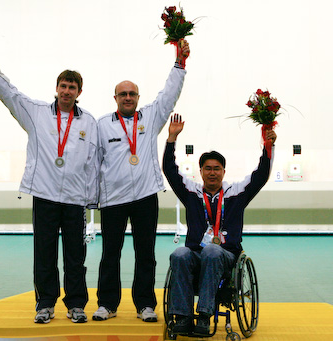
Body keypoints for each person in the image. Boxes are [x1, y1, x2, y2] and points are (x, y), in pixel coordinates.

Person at [0, 47, 98, 324]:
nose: (66, 91)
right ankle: (45, 304)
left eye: (72, 87)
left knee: (76, 257)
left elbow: (94, 162)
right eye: (63, 86)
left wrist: (92, 198)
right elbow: (10, 94)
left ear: (79, 92)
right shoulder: (36, 113)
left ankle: (76, 305)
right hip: (45, 195)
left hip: (76, 200)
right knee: (44, 254)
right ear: (56, 88)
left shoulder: (89, 121)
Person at [93, 40, 190, 323]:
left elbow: (169, 94)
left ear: (137, 97)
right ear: (115, 98)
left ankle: (145, 304)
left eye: (132, 93)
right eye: (122, 94)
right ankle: (107, 304)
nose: (127, 97)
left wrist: (180, 62)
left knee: (145, 253)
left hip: (146, 196)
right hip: (112, 200)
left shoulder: (151, 117)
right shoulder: (101, 125)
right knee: (110, 254)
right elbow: (93, 164)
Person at [162, 114, 276, 336]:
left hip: (226, 257)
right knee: (179, 254)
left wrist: (268, 146)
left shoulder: (237, 193)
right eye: (207, 168)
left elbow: (261, 175)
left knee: (214, 251)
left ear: (223, 171)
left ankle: (204, 316)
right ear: (201, 171)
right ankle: (183, 317)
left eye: (216, 168)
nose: (212, 172)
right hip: (197, 254)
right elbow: (170, 170)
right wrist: (171, 139)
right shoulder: (191, 193)